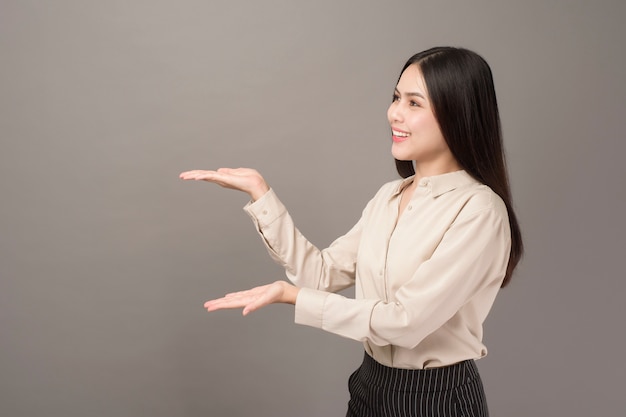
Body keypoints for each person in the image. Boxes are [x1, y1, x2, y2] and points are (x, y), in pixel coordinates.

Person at [179, 46, 523, 417]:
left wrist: (293, 298)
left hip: (435, 399)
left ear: (457, 112)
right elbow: (320, 274)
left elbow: (406, 323)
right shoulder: (389, 197)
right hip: (369, 386)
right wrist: (261, 194)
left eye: (414, 103)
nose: (395, 113)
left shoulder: (479, 210)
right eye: (395, 98)